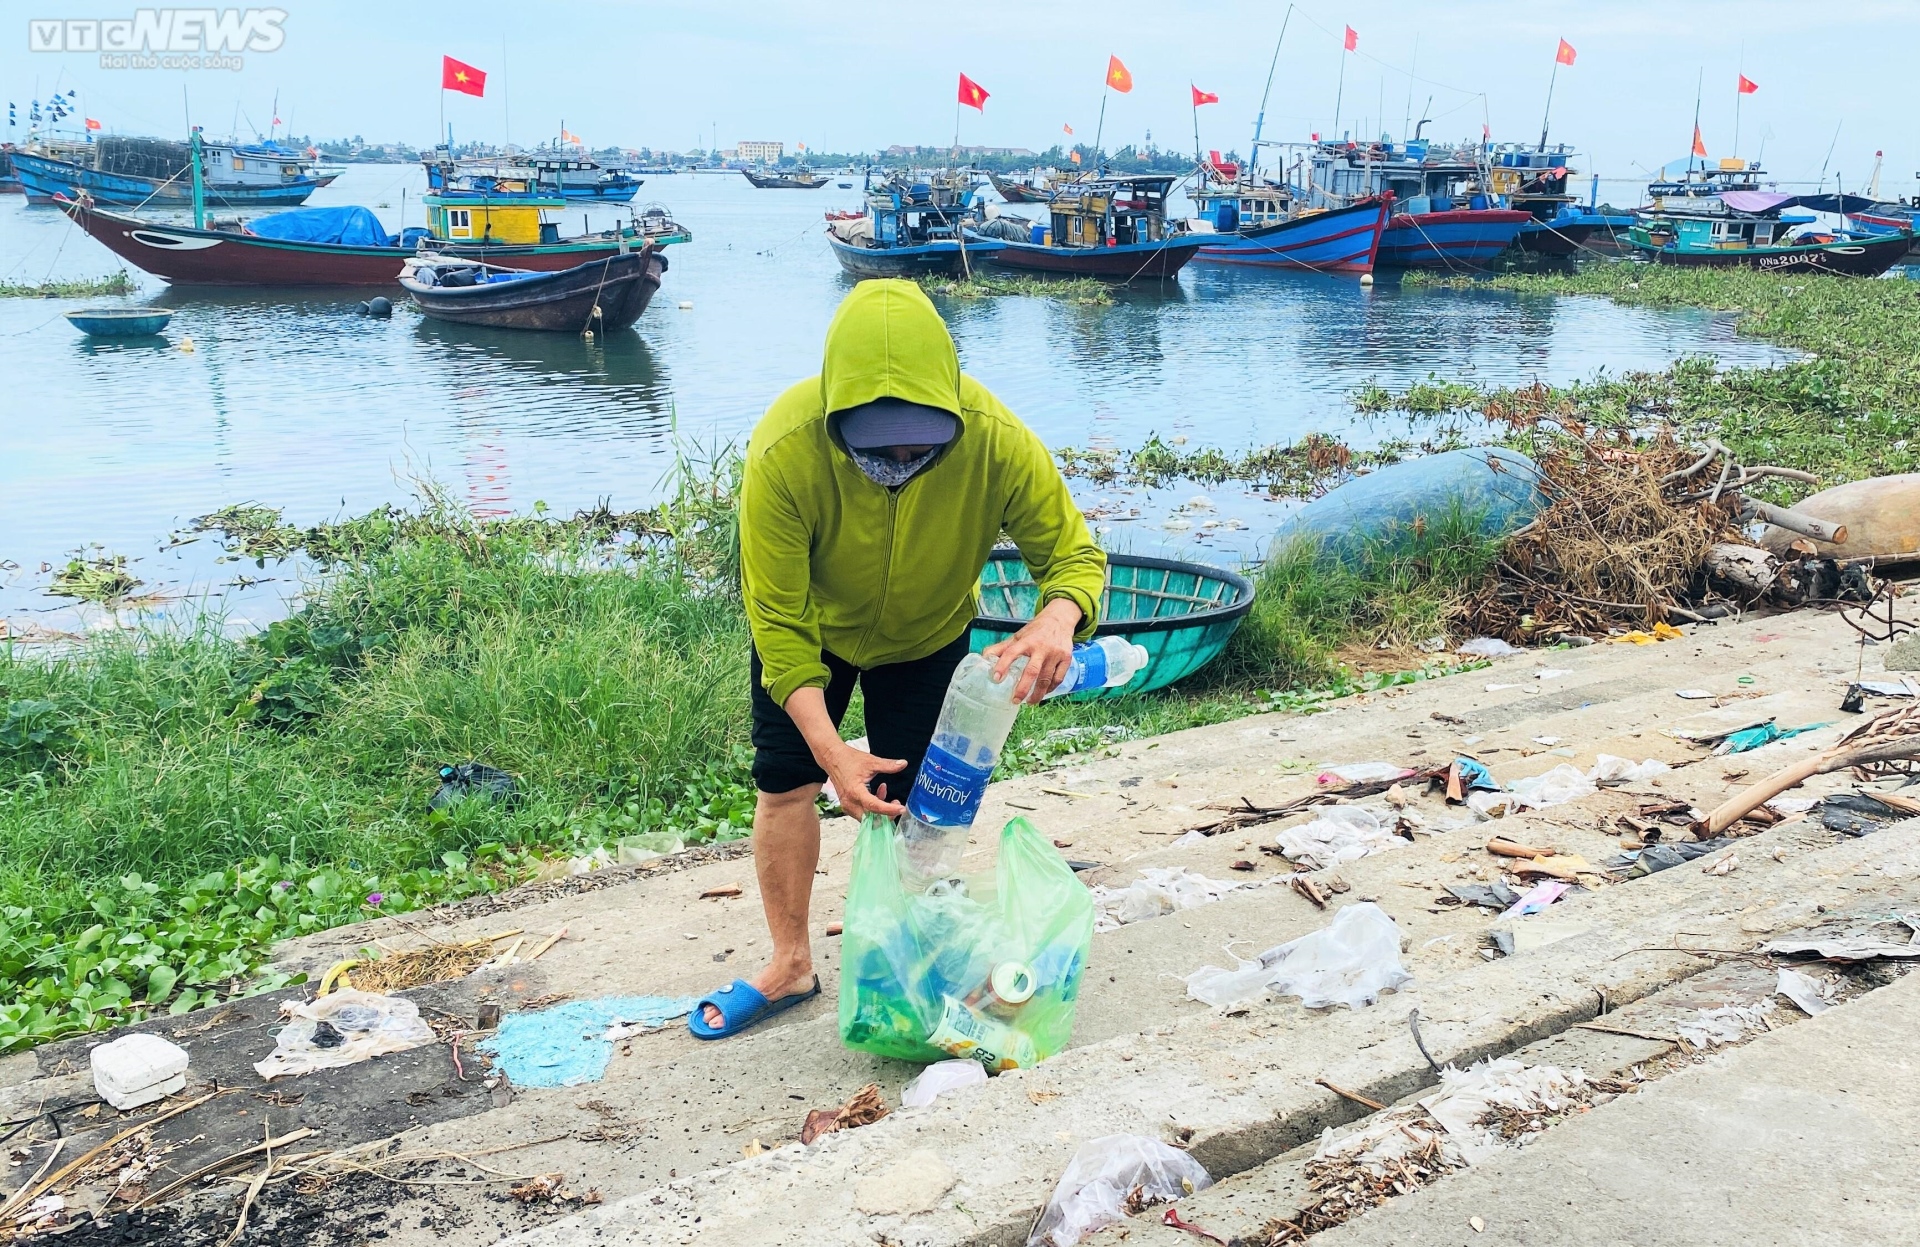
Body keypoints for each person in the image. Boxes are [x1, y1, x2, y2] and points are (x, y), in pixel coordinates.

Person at [690, 279, 1106, 1039]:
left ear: (951, 410)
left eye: (923, 446)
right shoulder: (785, 449)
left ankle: (907, 957)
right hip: (813, 630)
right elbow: (778, 622)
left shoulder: (994, 439)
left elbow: (1074, 554)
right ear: (837, 419)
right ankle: (791, 961)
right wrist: (829, 750)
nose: (903, 462)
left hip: (926, 633)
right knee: (787, 781)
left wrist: (1058, 615)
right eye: (878, 450)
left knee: (921, 806)